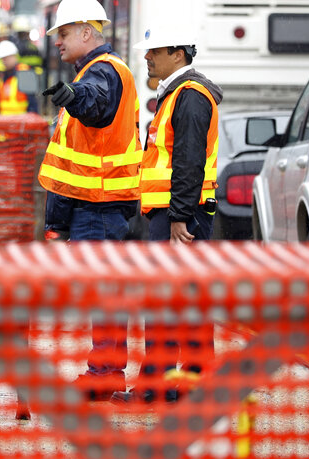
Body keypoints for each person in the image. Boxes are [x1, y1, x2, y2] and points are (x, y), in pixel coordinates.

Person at [37, 0, 142, 401]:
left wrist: (72, 98)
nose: (57, 41)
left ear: (86, 31)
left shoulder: (102, 73)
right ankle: (106, 372)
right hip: (92, 205)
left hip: (99, 207)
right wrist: (57, 222)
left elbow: (95, 107)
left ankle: (104, 375)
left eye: (63, 33)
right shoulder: (96, 72)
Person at [124, 25, 223, 404]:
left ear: (178, 54)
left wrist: (179, 218)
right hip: (178, 211)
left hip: (180, 214)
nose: (147, 57)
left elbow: (188, 161)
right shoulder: (180, 94)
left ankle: (159, 386)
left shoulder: (190, 96)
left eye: (155, 51)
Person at [0, 39, 38, 114]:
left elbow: (33, 103)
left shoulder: (25, 73)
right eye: (2, 59)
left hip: (21, 122)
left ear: (14, 56)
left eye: (6, 58)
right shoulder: (3, 76)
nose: (4, 61)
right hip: (4, 122)